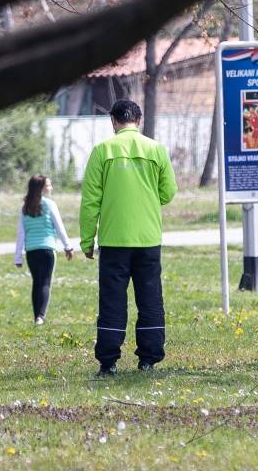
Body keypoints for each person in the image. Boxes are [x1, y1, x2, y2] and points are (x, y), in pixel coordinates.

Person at [79, 98, 177, 377]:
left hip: (113, 240)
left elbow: (90, 201)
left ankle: (108, 361)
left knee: (112, 301)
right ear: (139, 119)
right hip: (148, 238)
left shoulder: (102, 151)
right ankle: (149, 358)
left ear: (113, 121)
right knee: (150, 299)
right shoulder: (156, 149)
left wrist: (87, 240)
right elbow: (169, 192)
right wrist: (147, 199)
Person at [14, 174, 73, 324]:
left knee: (36, 282)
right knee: (45, 283)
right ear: (41, 188)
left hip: (31, 251)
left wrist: (18, 257)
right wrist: (67, 246)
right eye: (48, 185)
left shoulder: (25, 208)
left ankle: (36, 317)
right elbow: (59, 227)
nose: (51, 188)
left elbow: (21, 233)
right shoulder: (50, 204)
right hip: (47, 249)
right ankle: (41, 316)